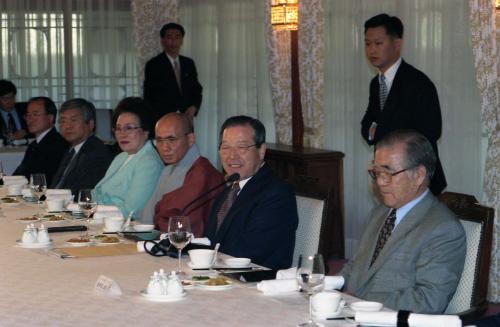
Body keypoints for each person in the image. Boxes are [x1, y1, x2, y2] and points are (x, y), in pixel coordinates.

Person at [339, 130, 466, 314]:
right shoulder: (380, 212)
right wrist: (327, 284)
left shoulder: (443, 229)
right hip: (352, 313)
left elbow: (429, 300)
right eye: (376, 173)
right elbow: (356, 266)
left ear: (419, 175)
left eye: (388, 173)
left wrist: (359, 300)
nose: (381, 182)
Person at [360, 13, 446, 195]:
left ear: (397, 44)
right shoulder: (376, 84)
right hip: (386, 175)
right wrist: (375, 129)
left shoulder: (418, 83)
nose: (371, 50)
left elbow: (431, 131)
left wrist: (380, 130)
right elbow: (367, 124)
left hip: (416, 178)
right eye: (367, 44)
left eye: (378, 43)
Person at [204, 115, 298, 272]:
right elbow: (211, 240)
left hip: (256, 284)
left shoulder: (276, 194)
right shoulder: (229, 189)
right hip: (222, 275)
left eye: (241, 147)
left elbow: (250, 252)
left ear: (261, 151)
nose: (232, 155)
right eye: (226, 147)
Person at [140, 112, 223, 237]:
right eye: (159, 140)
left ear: (190, 139)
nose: (164, 147)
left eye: (171, 139)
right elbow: (147, 216)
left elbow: (184, 225)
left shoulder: (203, 174)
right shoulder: (167, 170)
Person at [93, 98, 164, 218]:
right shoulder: (121, 157)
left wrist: (95, 211)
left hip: (128, 229)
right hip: (104, 221)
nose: (122, 134)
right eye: (118, 128)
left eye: (129, 128)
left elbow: (132, 211)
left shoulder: (149, 162)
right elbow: (96, 194)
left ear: (146, 131)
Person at [50, 98, 113, 195]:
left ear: (90, 124)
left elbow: (83, 193)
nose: (67, 126)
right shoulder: (71, 150)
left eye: (73, 120)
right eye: (63, 121)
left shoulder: (96, 152)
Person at [143, 22, 203, 122]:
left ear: (182, 40)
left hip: (186, 118)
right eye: (169, 37)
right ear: (162, 41)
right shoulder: (153, 65)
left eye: (177, 37)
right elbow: (150, 96)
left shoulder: (188, 63)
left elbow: (196, 89)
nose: (173, 41)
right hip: (164, 119)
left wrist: (194, 107)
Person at [13, 97, 68, 185]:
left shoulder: (58, 144)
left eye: (35, 114)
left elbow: (45, 180)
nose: (30, 119)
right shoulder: (33, 145)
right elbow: (20, 173)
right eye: (28, 115)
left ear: (50, 118)